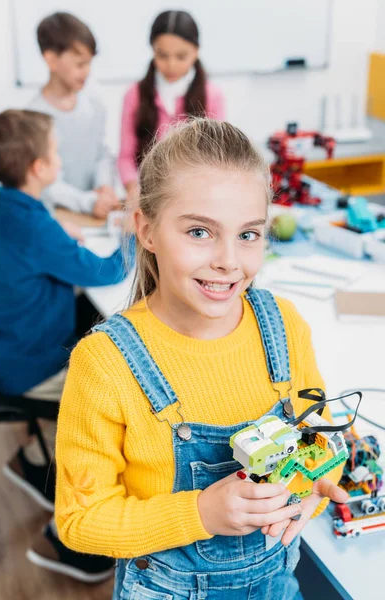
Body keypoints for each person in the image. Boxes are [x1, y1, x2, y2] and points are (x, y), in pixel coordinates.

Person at [55, 119, 347, 598]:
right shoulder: (105, 364)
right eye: (199, 232)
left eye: (249, 235)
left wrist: (310, 491)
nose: (229, 260)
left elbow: (319, 432)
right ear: (146, 230)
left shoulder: (284, 325)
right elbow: (80, 520)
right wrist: (202, 513)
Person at [0, 109, 132, 580]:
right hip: (33, 366)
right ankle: (70, 540)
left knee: (94, 324)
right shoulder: (33, 224)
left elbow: (26, 245)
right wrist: (131, 238)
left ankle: (32, 461)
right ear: (38, 169)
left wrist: (57, 238)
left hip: (4, 351)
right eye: (55, 151)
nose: (60, 157)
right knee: (119, 404)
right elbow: (106, 272)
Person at [118, 10, 225, 207]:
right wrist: (135, 193)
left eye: (181, 56)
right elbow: (126, 157)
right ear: (152, 50)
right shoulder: (134, 94)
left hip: (194, 199)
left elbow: (215, 159)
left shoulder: (212, 96)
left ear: (196, 51)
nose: (171, 64)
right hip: (147, 199)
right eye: (162, 55)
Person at [29, 12, 120, 220]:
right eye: (80, 64)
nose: (86, 71)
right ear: (51, 60)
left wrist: (104, 186)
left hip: (94, 216)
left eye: (89, 63)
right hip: (56, 218)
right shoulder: (34, 119)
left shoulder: (95, 105)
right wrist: (87, 202)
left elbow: (101, 155)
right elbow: (45, 183)